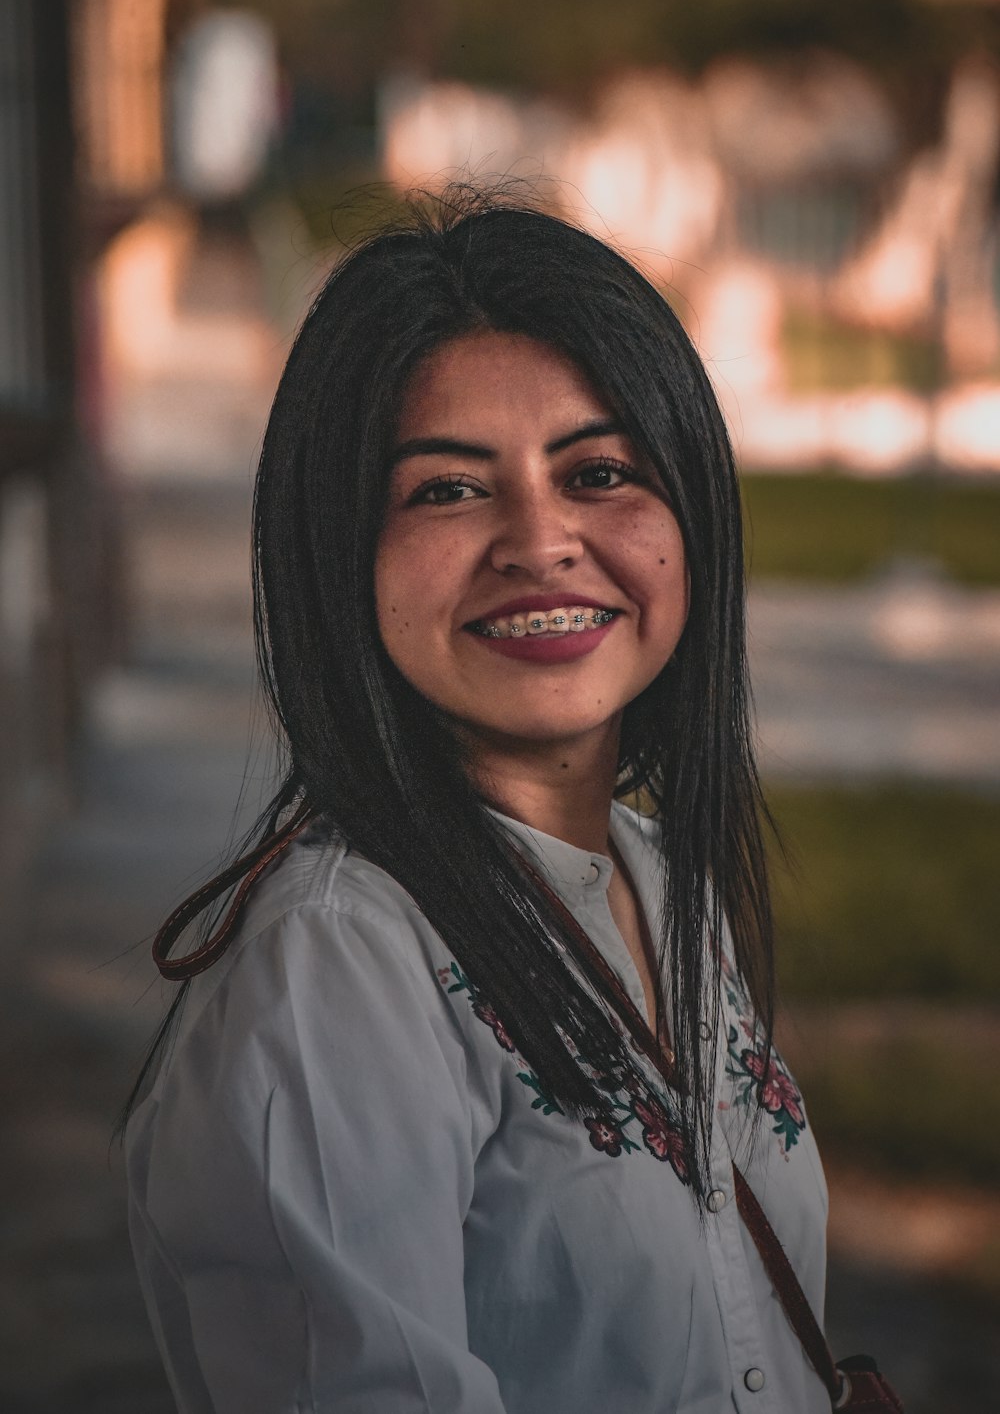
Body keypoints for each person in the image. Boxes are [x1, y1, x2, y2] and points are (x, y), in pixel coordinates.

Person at [125, 190, 831, 1413]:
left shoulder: (661, 879)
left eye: (599, 471)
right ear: (339, 550)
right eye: (449, 490)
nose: (540, 539)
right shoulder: (337, 967)